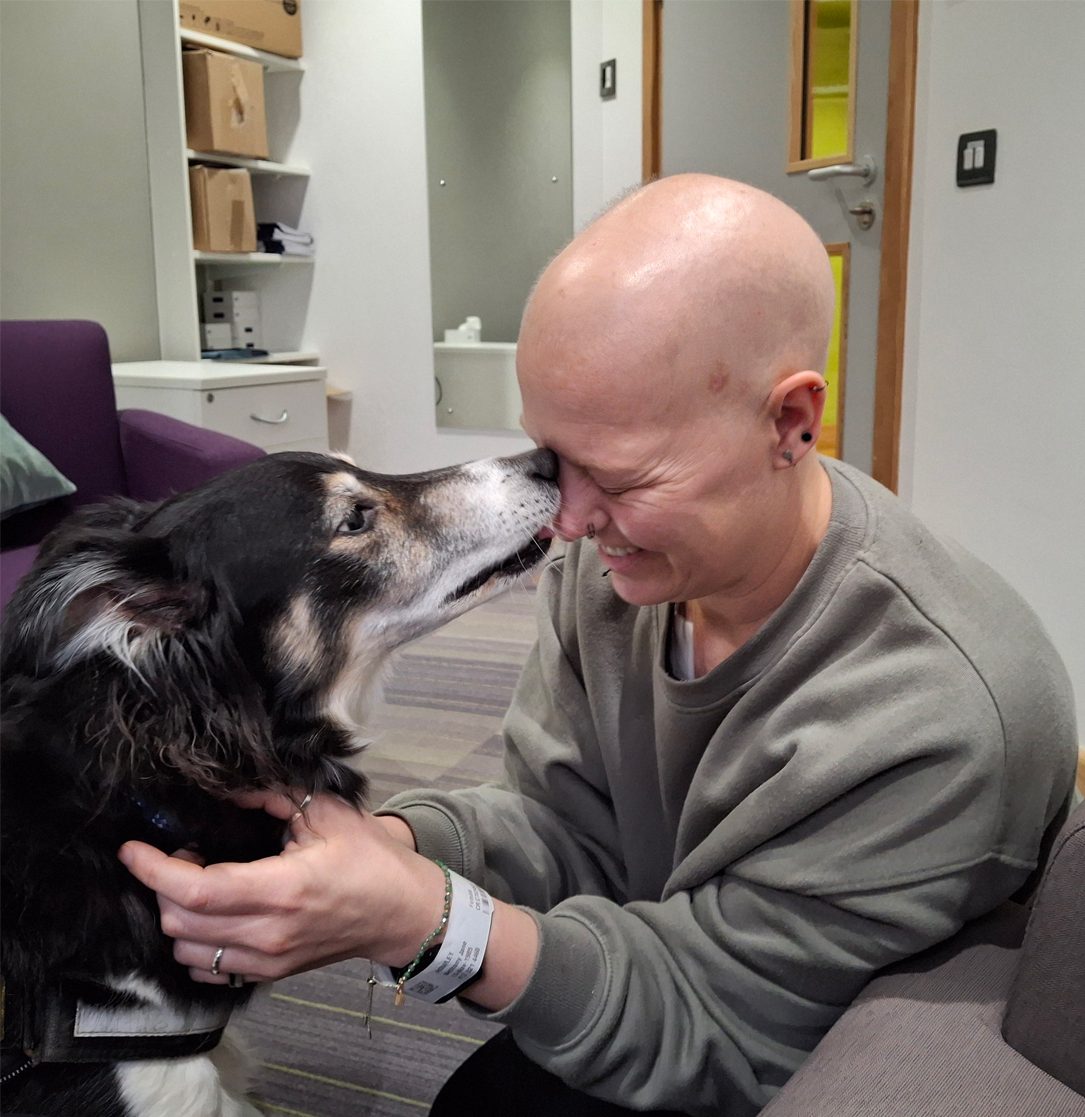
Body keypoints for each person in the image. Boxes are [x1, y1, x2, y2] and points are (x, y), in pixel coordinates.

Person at [119, 174, 1078, 1116]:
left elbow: (722, 1026)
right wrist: (388, 847)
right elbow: (564, 820)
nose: (566, 521)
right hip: (669, 967)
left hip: (805, 1049)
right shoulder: (624, 562)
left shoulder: (941, 713)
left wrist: (423, 920)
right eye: (553, 459)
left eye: (616, 474)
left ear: (789, 422)